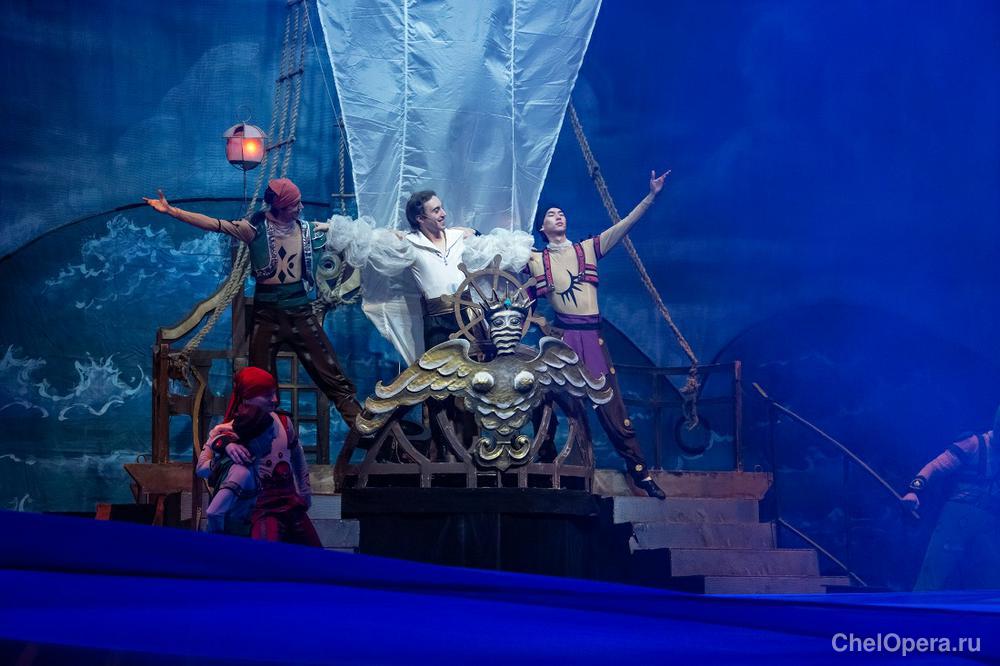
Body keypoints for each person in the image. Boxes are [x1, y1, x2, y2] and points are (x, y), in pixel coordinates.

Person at [144, 179, 361, 429]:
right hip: (266, 316)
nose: (300, 207)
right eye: (294, 204)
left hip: (300, 312)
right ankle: (266, 439)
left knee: (331, 372)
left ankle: (362, 428)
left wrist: (386, 236)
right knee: (260, 387)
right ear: (279, 207)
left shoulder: (307, 229)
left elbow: (347, 234)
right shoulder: (254, 230)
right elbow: (214, 224)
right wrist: (172, 211)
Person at [524, 170, 670, 499]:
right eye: (551, 214)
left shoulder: (587, 249)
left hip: (591, 338)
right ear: (542, 228)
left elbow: (623, 226)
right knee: (544, 398)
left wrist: (650, 197)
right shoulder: (534, 260)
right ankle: (546, 461)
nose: (558, 216)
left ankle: (640, 473)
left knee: (612, 408)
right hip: (562, 339)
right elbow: (514, 291)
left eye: (561, 213)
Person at [200, 367, 322, 546]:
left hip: (290, 501)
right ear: (248, 398)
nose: (275, 399)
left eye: (274, 393)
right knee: (266, 552)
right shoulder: (227, 431)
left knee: (313, 551)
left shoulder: (283, 422)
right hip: (261, 508)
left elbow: (298, 456)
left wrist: (304, 491)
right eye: (267, 395)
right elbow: (203, 468)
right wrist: (224, 447)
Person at [900, 405, 1000, 589]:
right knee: (933, 574)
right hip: (958, 518)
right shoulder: (973, 443)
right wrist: (914, 491)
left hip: (989, 523)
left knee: (991, 580)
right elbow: (935, 467)